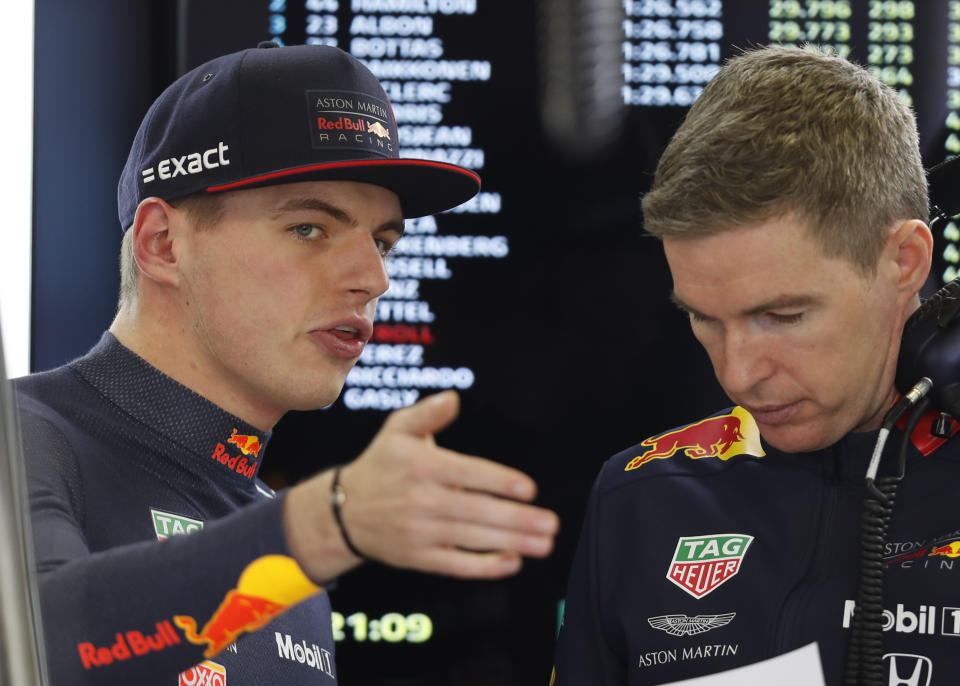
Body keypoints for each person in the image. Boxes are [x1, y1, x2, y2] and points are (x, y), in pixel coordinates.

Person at [16, 42, 559, 686]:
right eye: (309, 228)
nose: (373, 277)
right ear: (162, 244)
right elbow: (32, 644)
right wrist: (321, 527)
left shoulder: (285, 549)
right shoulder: (19, 435)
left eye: (382, 240)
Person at [551, 44, 960, 686]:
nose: (739, 376)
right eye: (703, 318)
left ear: (904, 262)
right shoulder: (638, 496)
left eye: (783, 316)